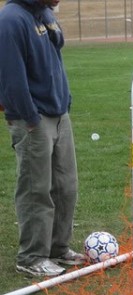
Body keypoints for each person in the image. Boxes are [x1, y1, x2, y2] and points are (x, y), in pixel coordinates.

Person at [0, 0, 86, 277]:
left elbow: (55, 56)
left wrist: (65, 100)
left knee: (65, 186)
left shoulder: (45, 13)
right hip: (32, 120)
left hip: (59, 113)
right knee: (35, 189)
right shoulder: (11, 20)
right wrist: (29, 116)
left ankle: (58, 248)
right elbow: (10, 77)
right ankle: (31, 257)